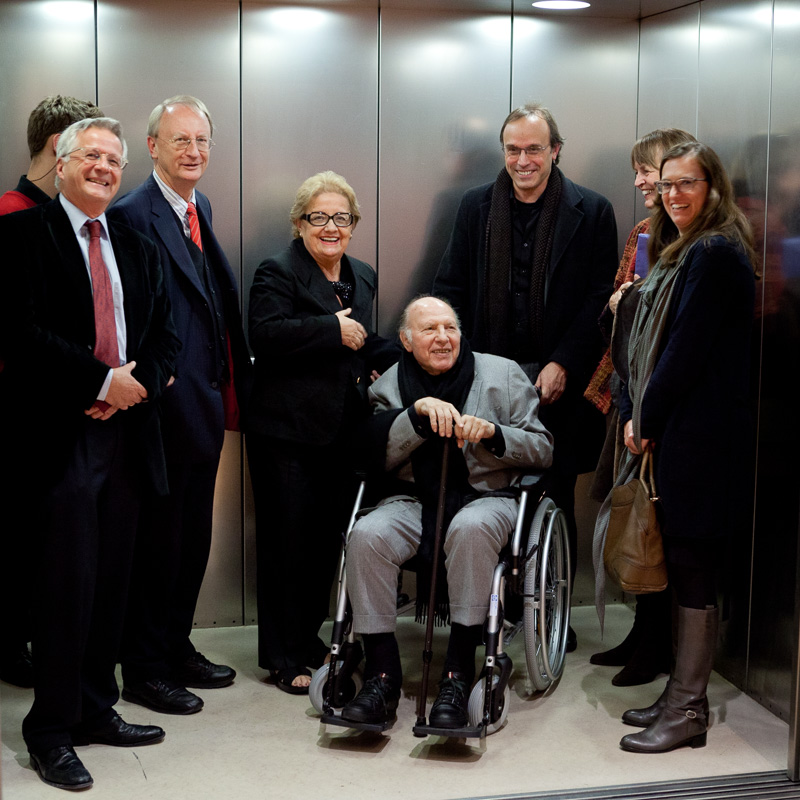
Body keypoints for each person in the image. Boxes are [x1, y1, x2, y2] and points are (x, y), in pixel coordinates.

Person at [0, 117, 179, 790]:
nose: (104, 166)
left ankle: (97, 709)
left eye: (113, 158)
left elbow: (165, 336)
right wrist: (100, 380)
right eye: (91, 156)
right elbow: (20, 332)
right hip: (59, 434)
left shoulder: (137, 244)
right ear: (62, 160)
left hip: (129, 435)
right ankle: (50, 728)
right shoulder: (20, 235)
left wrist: (132, 388)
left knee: (112, 581)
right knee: (64, 585)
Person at [433, 103, 618, 650]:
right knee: (488, 496)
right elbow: (450, 286)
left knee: (553, 494)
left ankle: (549, 614)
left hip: (557, 383)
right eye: (513, 149)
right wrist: (460, 365)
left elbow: (597, 303)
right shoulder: (474, 208)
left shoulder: (593, 210)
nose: (522, 160)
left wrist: (564, 360)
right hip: (486, 382)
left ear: (555, 150)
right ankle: (496, 612)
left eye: (534, 148)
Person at [593, 142, 757, 753]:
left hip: (704, 440)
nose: (675, 196)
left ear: (713, 187)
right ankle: (680, 696)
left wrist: (645, 414)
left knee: (693, 568)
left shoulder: (714, 253)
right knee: (684, 564)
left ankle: (688, 708)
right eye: (666, 186)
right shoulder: (675, 251)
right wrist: (633, 408)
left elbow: (684, 350)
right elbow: (639, 344)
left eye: (687, 184)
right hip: (673, 432)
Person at [339, 296, 553, 727]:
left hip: (487, 497)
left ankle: (459, 670)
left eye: (449, 328)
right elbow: (376, 455)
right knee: (366, 535)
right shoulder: (390, 384)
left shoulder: (504, 374)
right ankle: (382, 674)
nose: (442, 338)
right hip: (413, 499)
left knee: (469, 528)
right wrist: (415, 418)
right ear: (406, 340)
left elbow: (543, 449)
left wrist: (495, 434)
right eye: (429, 330)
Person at [108, 95, 250, 716]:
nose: (194, 152)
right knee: (158, 544)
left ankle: (176, 645)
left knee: (192, 540)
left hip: (206, 401)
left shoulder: (200, 205)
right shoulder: (132, 214)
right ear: (153, 147)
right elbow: (126, 315)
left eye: (202, 142)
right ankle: (143, 667)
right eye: (180, 141)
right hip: (163, 409)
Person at [248, 171, 398, 694]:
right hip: (287, 433)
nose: (330, 227)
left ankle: (308, 639)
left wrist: (408, 360)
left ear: (353, 225)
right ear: (299, 223)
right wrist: (331, 329)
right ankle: (281, 656)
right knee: (285, 546)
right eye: (319, 217)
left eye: (341, 218)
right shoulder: (278, 270)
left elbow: (363, 342)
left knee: (321, 548)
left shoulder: (362, 272)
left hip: (342, 433)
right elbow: (265, 335)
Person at [586, 129, 697, 688]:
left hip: (661, 404)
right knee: (630, 513)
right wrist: (619, 301)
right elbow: (622, 305)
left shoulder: (696, 242)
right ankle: (642, 634)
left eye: (646, 170)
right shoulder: (643, 232)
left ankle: (658, 646)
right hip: (626, 392)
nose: (639, 181)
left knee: (656, 520)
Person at [0, 95, 104, 689]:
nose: (94, 164)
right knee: (20, 539)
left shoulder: (81, 227)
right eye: (82, 148)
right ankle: (14, 647)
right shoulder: (15, 218)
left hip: (77, 412)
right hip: (25, 413)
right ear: (54, 150)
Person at [0, 94, 103, 214]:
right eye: (91, 154)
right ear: (60, 146)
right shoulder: (8, 215)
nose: (101, 166)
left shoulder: (62, 214)